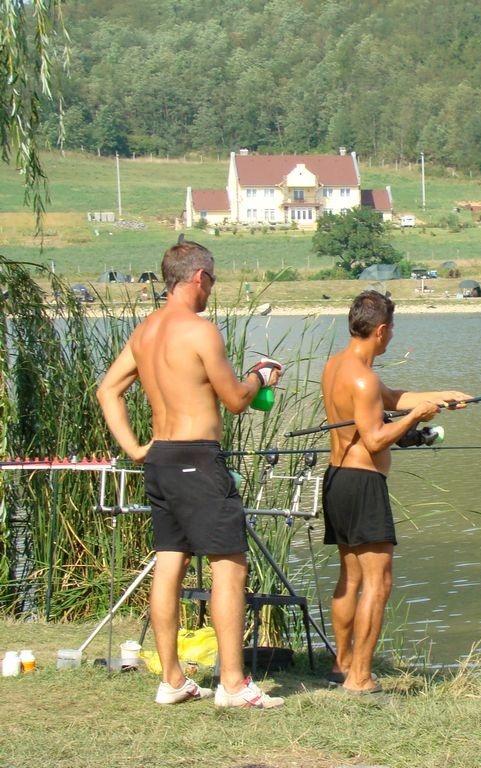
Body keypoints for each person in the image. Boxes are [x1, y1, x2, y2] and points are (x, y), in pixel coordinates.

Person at [96, 237, 284, 709]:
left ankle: (173, 680)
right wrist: (261, 376)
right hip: (197, 459)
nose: (210, 290)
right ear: (198, 277)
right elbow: (238, 401)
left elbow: (106, 391)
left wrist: (137, 448)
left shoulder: (144, 332)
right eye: (211, 281)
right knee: (230, 565)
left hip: (160, 460)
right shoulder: (200, 331)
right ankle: (234, 684)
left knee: (169, 562)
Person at [321, 290, 471, 694]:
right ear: (382, 330)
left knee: (350, 579)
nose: (391, 338)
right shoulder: (363, 377)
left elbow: (389, 399)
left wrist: (440, 396)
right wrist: (417, 418)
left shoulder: (338, 366)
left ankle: (343, 664)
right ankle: (361, 678)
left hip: (336, 480)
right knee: (379, 583)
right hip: (364, 484)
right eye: (392, 331)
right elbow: (374, 439)